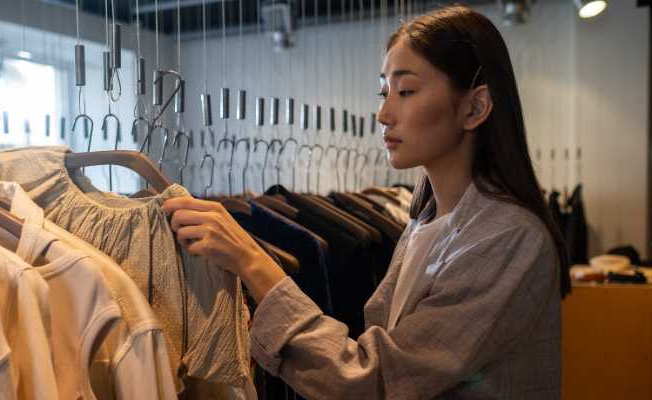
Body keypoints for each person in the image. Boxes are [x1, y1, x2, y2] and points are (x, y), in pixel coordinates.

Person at [162, 5, 569, 399]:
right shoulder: (423, 224)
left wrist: (252, 261)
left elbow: (373, 381)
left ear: (475, 106)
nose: (383, 113)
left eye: (406, 91)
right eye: (383, 91)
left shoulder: (509, 238)